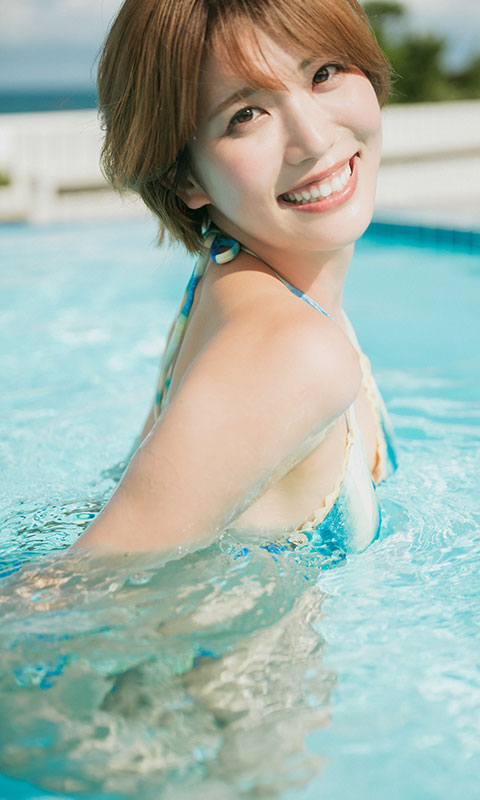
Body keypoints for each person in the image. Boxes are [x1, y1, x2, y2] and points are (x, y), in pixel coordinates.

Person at [72, 0, 397, 559]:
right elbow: (69, 591)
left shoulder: (238, 284)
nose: (315, 139)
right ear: (184, 178)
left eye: (323, 72)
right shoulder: (290, 351)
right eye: (245, 115)